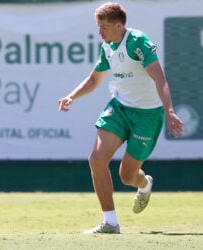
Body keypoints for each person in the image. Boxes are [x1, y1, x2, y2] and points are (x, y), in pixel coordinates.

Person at [58, 2, 183, 234]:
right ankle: (110, 222)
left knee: (127, 176)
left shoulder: (138, 42)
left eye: (103, 27)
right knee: (96, 159)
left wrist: (170, 111)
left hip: (147, 115)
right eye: (98, 27)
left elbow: (159, 78)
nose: (100, 33)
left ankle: (144, 184)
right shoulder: (106, 47)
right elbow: (95, 79)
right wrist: (71, 96)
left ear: (118, 25)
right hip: (120, 109)